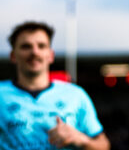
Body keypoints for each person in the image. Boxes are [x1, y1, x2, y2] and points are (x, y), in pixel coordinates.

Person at [0, 21, 110, 150]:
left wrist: (80, 139)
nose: (34, 52)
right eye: (26, 46)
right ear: (13, 56)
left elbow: (104, 145)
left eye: (41, 46)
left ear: (51, 55)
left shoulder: (75, 95)